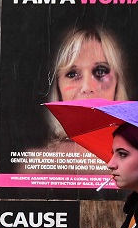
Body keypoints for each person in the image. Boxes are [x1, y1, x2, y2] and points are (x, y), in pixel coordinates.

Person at [37, 25, 131, 154]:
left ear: (118, 83)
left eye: (100, 71)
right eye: (72, 74)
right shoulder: (35, 166)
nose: (86, 87)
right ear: (57, 88)